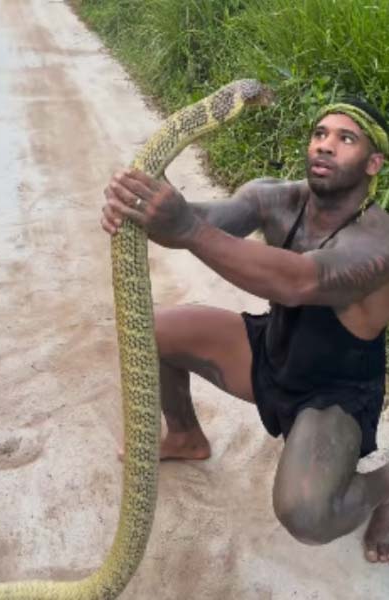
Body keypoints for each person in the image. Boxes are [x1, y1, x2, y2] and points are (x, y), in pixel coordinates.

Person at [101, 98, 389, 563]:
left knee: (308, 514)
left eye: (346, 138)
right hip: (273, 352)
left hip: (334, 391)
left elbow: (297, 282)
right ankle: (185, 437)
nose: (326, 145)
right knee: (150, 332)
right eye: (320, 134)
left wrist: (187, 227)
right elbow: (200, 221)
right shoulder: (274, 197)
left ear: (374, 163)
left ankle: (384, 489)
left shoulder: (380, 241)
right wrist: (148, 202)